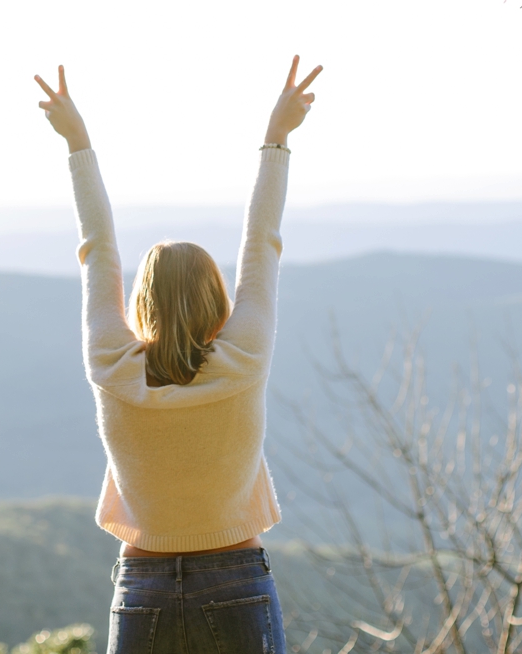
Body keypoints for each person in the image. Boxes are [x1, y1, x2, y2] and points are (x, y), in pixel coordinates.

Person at [34, 56, 323, 654]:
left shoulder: (112, 364)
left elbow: (98, 250)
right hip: (236, 581)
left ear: (141, 300)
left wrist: (77, 142)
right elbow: (261, 246)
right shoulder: (243, 359)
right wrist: (277, 138)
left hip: (143, 588)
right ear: (219, 297)